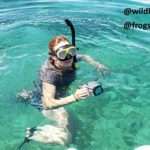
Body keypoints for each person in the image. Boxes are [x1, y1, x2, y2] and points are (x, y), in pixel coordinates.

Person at [18, 35, 108, 147]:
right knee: (65, 138)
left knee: (70, 126)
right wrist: (75, 97)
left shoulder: (70, 58)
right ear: (53, 57)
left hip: (57, 92)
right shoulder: (50, 74)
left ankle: (26, 96)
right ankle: (34, 134)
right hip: (42, 101)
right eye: (62, 54)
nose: (68, 57)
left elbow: (84, 57)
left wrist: (97, 65)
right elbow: (48, 104)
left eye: (71, 50)